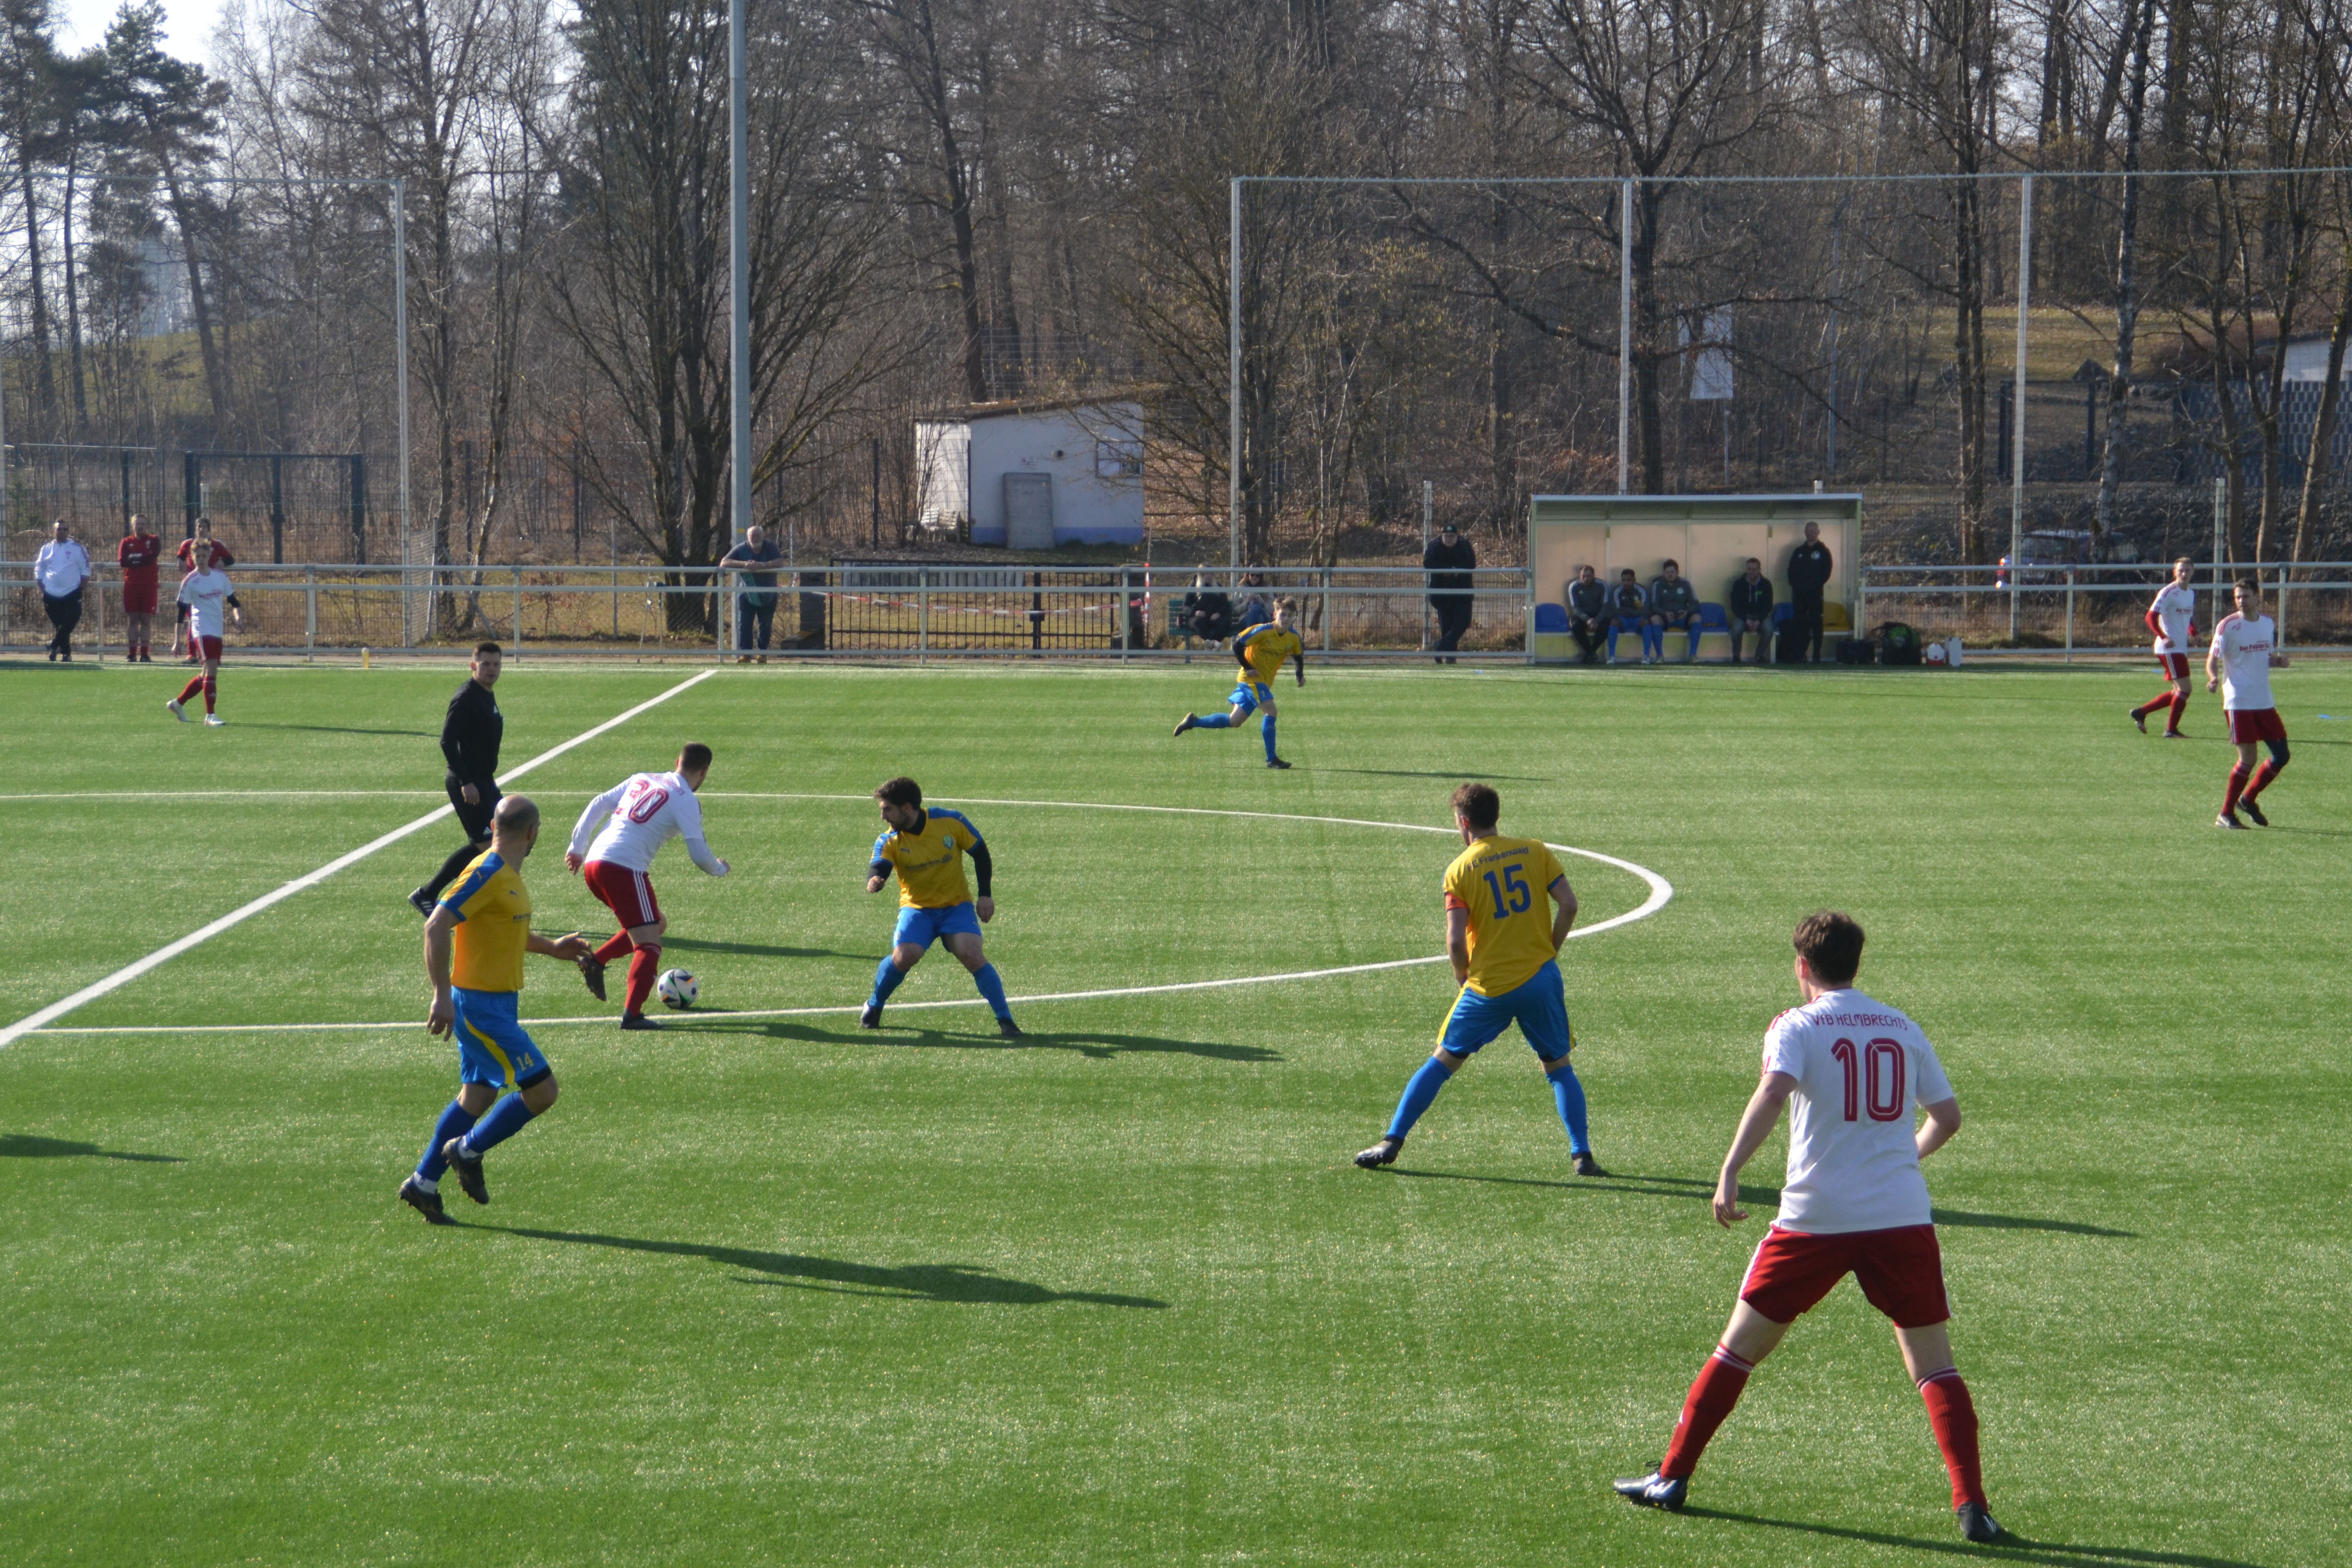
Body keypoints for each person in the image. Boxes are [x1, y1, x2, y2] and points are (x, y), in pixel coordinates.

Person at [1613, 911, 2001, 1545]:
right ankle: (1974, 1507)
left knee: (1737, 1349)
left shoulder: (1796, 1025)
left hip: (1814, 1221)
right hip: (1900, 1217)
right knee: (1935, 1367)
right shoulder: (1901, 1025)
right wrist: (1902, 1158)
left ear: (1802, 967)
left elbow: (1774, 1091)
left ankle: (1673, 1476)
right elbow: (1948, 1117)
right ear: (1857, 964)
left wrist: (1731, 1169)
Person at [1355, 783, 1605, 1176]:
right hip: (1540, 979)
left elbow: (1455, 941)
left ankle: (1392, 1140)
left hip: (1488, 989)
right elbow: (1570, 906)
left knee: (1441, 1064)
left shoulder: (1459, 870)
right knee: (1558, 1067)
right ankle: (1582, 1155)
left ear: (1464, 822)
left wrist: (1461, 978)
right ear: (1497, 816)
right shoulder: (1535, 850)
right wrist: (1548, 953)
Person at [397, 794, 593, 1224]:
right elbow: (436, 923)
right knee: (543, 1093)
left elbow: (504, 930)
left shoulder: (505, 875)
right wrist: (441, 994)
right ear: (533, 833)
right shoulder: (487, 871)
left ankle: (423, 1185)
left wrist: (552, 948)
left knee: (479, 1094)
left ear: (492, 823)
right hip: (480, 1006)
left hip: (497, 1002)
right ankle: (466, 1151)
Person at [565, 743, 733, 1028]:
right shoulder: (687, 800)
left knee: (657, 923)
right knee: (649, 944)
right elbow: (698, 853)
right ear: (704, 772)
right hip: (623, 868)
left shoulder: (642, 778)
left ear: (677, 760)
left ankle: (596, 961)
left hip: (594, 863)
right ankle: (633, 1015)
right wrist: (720, 869)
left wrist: (577, 847)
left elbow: (599, 802)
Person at [862, 776, 1019, 1038]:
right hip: (917, 908)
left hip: (956, 906)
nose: (883, 817)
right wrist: (876, 880)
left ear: (907, 807)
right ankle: (875, 1004)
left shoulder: (950, 821)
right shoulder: (889, 840)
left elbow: (980, 852)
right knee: (904, 956)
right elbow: (880, 866)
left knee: (972, 954)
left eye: (887, 809)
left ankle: (1006, 1020)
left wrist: (985, 896)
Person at [410, 643, 507, 916]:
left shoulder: (487, 694)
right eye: (485, 664)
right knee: (488, 846)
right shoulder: (466, 697)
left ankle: (433, 894)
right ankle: (434, 895)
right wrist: (466, 782)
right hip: (469, 784)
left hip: (485, 781)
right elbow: (447, 741)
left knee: (507, 839)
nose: (491, 670)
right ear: (473, 665)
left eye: (496, 664)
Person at [1172, 598, 1305, 768]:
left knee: (1234, 721)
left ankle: (1193, 721)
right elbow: (1237, 645)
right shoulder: (1263, 630)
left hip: (1263, 681)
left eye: (1290, 616)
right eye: (1283, 614)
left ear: (1294, 618)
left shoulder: (1293, 637)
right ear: (1275, 614)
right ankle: (1272, 759)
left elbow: (1298, 656)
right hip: (1250, 679)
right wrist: (1248, 666)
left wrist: (1299, 675)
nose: (1286, 618)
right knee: (1271, 711)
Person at [2207, 577, 2289, 829]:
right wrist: (2213, 677)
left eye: (2246, 596)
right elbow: (2212, 659)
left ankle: (2249, 799)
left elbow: (2265, 656)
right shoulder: (2228, 626)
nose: (2241, 601)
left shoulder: (2267, 623)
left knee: (2281, 755)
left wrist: (2277, 662)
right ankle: (2226, 814)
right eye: (2237, 597)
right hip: (2239, 701)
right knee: (2248, 759)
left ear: (2257, 597)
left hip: (2263, 700)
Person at [165, 543, 240, 725]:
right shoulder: (190, 581)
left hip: (217, 628)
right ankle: (210, 716)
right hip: (201, 628)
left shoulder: (220, 577)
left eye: (204, 556)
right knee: (212, 670)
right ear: (192, 557)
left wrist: (238, 618)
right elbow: (180, 614)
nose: (200, 559)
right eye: (197, 556)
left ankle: (178, 703)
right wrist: (177, 641)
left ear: (210, 556)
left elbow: (234, 601)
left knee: (206, 673)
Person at [2132, 556, 2199, 737]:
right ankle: (2171, 730)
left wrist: (2194, 632)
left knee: (2179, 691)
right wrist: (2164, 637)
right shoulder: (2168, 592)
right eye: (2181, 570)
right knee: (2185, 689)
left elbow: (2188, 617)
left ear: (2193, 572)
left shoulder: (2190, 594)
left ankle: (2141, 712)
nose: (2184, 574)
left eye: (2188, 570)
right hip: (2169, 648)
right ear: (2175, 572)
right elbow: (2150, 617)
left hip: (2179, 648)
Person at [720, 524, 785, 663]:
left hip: (768, 594)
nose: (755, 538)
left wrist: (762, 565)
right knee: (744, 624)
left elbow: (780, 562)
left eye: (758, 536)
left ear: (763, 536)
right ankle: (746, 654)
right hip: (747, 594)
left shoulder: (770, 547)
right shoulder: (742, 548)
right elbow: (724, 562)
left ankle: (762, 653)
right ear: (748, 537)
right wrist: (744, 565)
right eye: (752, 536)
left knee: (766, 624)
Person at [173, 520, 234, 663]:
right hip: (194, 587)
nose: (201, 529)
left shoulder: (216, 545)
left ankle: (209, 654)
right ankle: (191, 654)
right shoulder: (188, 544)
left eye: (204, 527)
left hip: (211, 587)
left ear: (209, 529)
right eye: (199, 527)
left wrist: (223, 563)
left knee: (212, 620)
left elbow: (230, 559)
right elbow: (180, 557)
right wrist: (179, 562)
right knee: (191, 619)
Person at [35, 519, 91, 662]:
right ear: (54, 531)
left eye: (65, 529)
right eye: (59, 529)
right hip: (51, 593)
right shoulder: (46, 549)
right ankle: (66, 654)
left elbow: (85, 568)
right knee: (59, 625)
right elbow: (40, 567)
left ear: (69, 532)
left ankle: (54, 645)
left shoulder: (77, 548)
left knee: (72, 618)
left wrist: (83, 583)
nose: (62, 532)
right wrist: (41, 583)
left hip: (72, 591)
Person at [1424, 521, 1477, 663]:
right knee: (1446, 626)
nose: (1449, 539)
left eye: (1452, 536)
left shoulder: (1464, 545)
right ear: (1442, 536)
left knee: (1464, 622)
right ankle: (1451, 657)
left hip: (1462, 594)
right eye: (1446, 536)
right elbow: (1427, 562)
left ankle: (1440, 647)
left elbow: (1472, 563)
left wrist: (1456, 570)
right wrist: (1445, 569)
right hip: (1442, 595)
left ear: (1457, 537)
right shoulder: (1435, 546)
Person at [118, 515, 163, 663]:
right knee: (132, 620)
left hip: (149, 586)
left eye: (143, 524)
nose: (140, 526)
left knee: (146, 620)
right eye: (137, 524)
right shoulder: (126, 542)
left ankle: (145, 654)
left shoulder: (154, 540)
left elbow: (152, 557)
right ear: (133, 526)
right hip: (131, 585)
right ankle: (132, 654)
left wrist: (135, 560)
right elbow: (123, 562)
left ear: (147, 525)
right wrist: (141, 559)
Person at [1787, 520, 1834, 663]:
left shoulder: (1823, 551)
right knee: (1800, 624)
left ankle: (1817, 654)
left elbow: (1827, 572)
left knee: (1817, 623)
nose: (1810, 533)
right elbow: (1791, 572)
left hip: (1815, 594)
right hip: (1799, 595)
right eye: (1808, 531)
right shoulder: (1799, 552)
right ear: (1805, 532)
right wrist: (1797, 586)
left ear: (1818, 532)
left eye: (1813, 531)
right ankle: (1801, 654)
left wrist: (1814, 586)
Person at [1648, 558, 1703, 664]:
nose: (1670, 575)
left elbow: (1695, 603)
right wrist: (1665, 613)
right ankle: (1660, 656)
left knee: (1697, 618)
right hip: (1666, 618)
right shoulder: (1658, 585)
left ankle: (1693, 655)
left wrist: (1687, 612)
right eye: (1667, 572)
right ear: (1664, 573)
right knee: (1655, 619)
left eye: (1673, 572)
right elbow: (1654, 606)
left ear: (1678, 572)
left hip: (1683, 618)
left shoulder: (1686, 584)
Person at [1728, 557, 1774, 665]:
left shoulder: (1766, 584)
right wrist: (1746, 619)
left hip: (1761, 616)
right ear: (1746, 569)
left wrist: (1759, 619)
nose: (1751, 572)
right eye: (1749, 569)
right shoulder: (1738, 584)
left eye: (1754, 569)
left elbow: (1768, 605)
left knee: (1769, 629)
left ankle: (1759, 655)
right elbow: (1735, 606)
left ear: (1759, 570)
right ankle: (1736, 656)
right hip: (1743, 616)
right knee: (1737, 629)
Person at [1565, 564, 1608, 664]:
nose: (1586, 579)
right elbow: (1576, 608)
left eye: (1589, 576)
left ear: (1594, 576)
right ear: (1580, 576)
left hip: (1598, 615)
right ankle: (1591, 653)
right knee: (1576, 627)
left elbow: (1605, 606)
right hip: (1582, 616)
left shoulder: (1603, 586)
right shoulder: (1574, 586)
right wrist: (1588, 620)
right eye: (1583, 576)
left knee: (1606, 628)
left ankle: (1590, 653)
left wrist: (1597, 620)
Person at [1604, 569, 1647, 664]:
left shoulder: (1641, 591)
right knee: (1614, 622)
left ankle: (1646, 656)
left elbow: (1645, 611)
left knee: (1646, 622)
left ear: (1634, 580)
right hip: (1623, 620)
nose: (1626, 583)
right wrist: (1634, 611)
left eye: (1629, 580)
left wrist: (1626, 610)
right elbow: (1617, 611)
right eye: (1624, 580)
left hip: (1637, 619)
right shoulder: (1617, 591)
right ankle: (1611, 657)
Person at [1182, 573, 1233, 644]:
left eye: (1211, 574)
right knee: (1197, 622)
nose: (1209, 576)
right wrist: (1195, 612)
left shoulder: (1218, 587)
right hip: (1198, 618)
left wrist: (1218, 613)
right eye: (1207, 574)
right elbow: (1185, 606)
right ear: (1201, 575)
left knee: (1226, 623)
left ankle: (1213, 643)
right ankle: (1214, 644)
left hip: (1214, 618)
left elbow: (1226, 605)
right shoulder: (1193, 587)